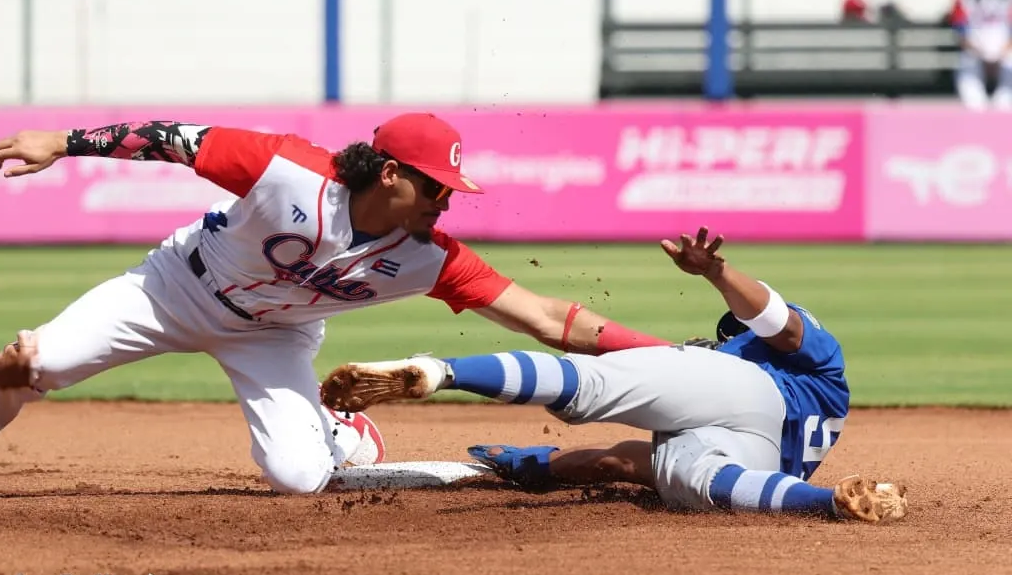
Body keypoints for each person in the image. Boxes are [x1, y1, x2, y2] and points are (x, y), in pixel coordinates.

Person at [0, 113, 672, 499]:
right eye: (436, 187)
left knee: (298, 479)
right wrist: (63, 143)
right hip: (171, 290)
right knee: (29, 361)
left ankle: (336, 433)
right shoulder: (288, 169)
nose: (446, 202)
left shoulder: (430, 257)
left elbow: (548, 320)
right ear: (389, 173)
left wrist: (666, 357)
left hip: (276, 335)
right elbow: (170, 139)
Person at [319, 227, 908, 523]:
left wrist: (717, 273)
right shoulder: (784, 378)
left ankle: (438, 371)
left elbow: (772, 317)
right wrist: (531, 464)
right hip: (765, 462)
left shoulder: (812, 355)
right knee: (705, 483)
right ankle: (828, 503)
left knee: (591, 383)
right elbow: (616, 464)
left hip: (752, 399)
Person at [951, 0, 1012, 110]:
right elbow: (959, 24)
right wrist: (973, 47)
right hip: (974, 50)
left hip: (1005, 50)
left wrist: (1005, 48)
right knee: (973, 101)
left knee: (1005, 103)